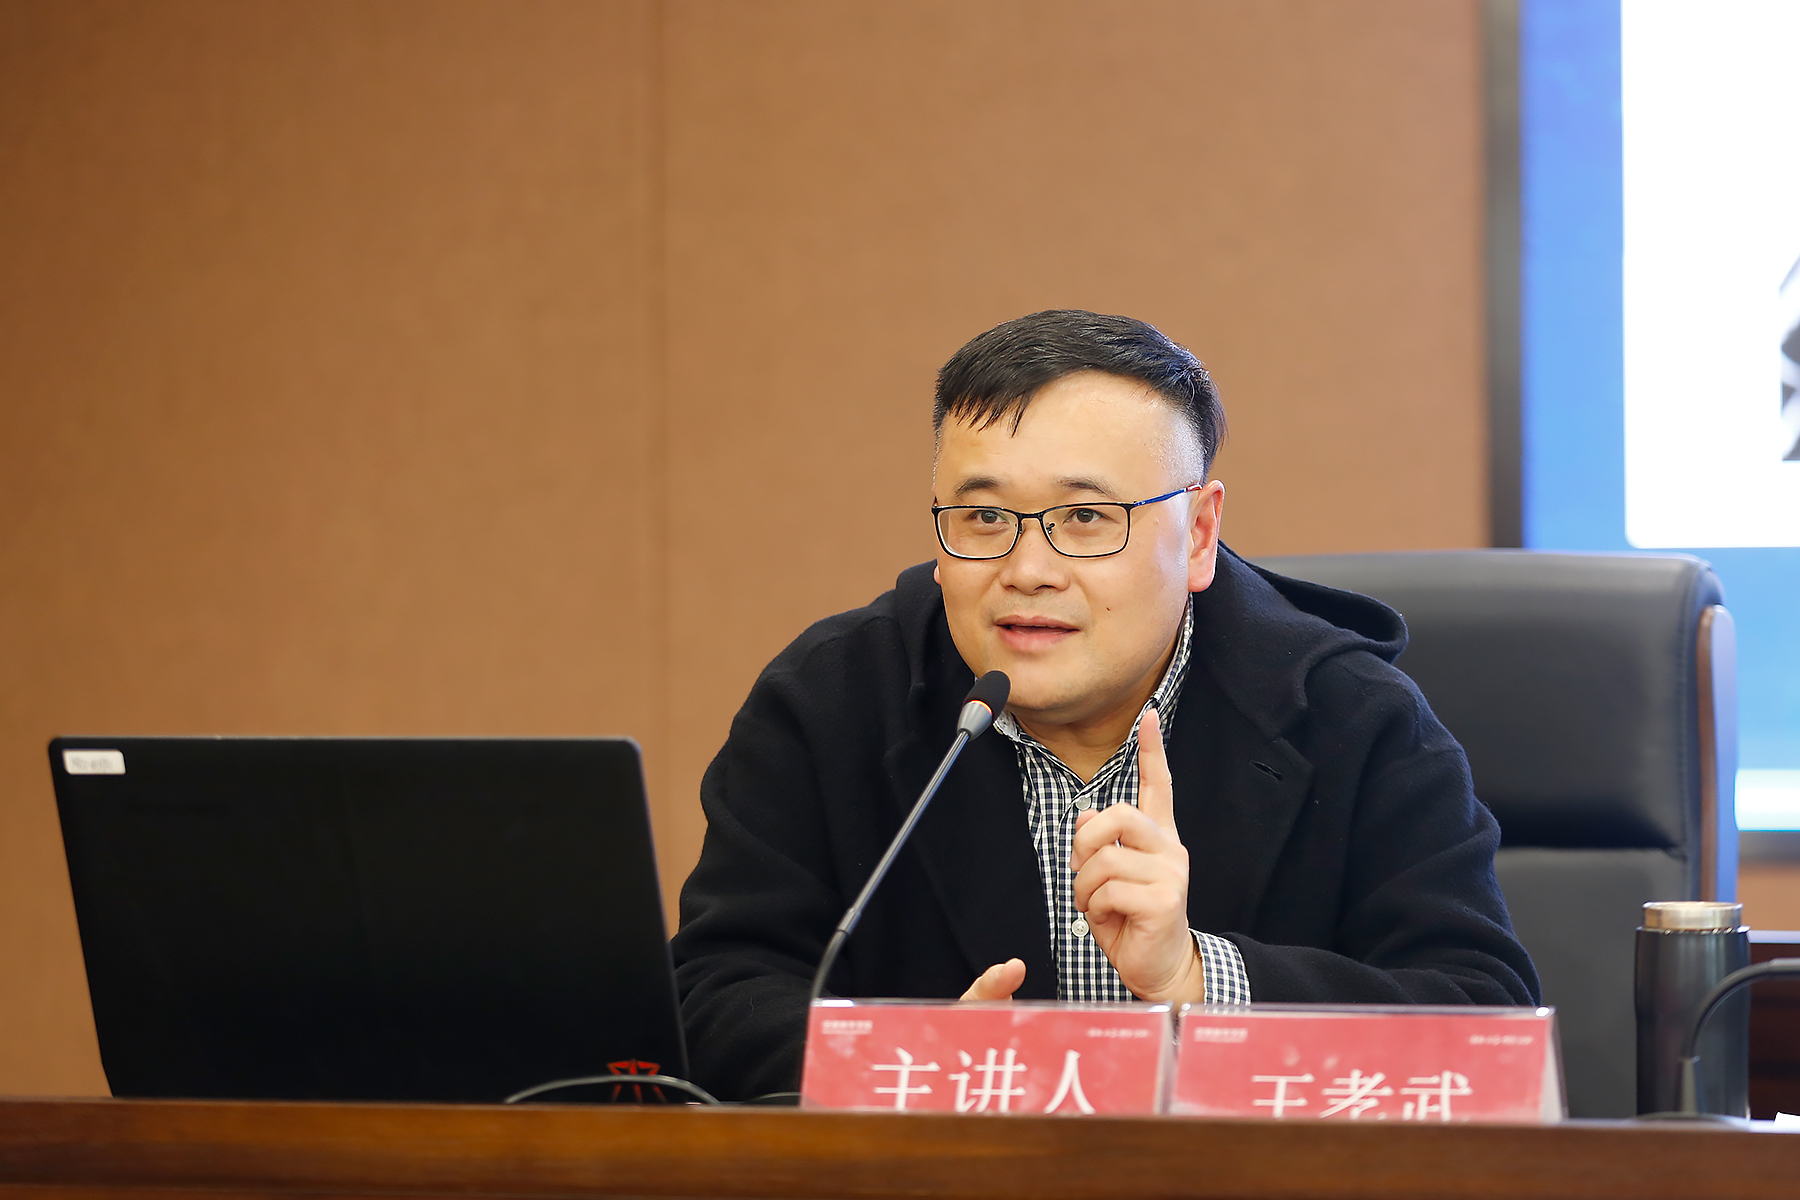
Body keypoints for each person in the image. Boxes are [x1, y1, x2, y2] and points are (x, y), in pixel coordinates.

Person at [672, 310, 1539, 1101]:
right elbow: (711, 995)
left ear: (1198, 534)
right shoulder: (830, 701)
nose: (1027, 571)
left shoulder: (1350, 716)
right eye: (983, 519)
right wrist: (917, 1067)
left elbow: (1486, 1025)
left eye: (1086, 518)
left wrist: (1199, 982)